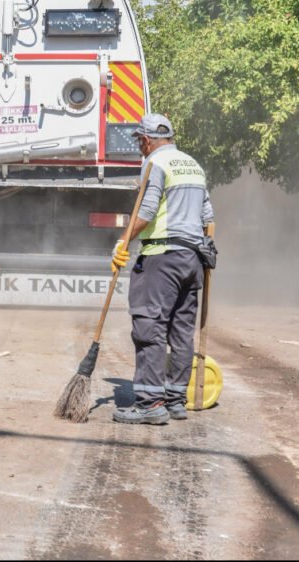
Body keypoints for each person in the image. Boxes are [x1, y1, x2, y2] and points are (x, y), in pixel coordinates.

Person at [110, 113, 214, 425]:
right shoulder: (193, 165)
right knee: (181, 330)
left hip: (161, 258)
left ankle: (150, 404)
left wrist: (123, 242)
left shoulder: (155, 163)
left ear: (146, 139)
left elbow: (147, 210)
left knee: (150, 327)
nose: (140, 147)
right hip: (192, 259)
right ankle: (175, 399)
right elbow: (208, 218)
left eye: (139, 142)